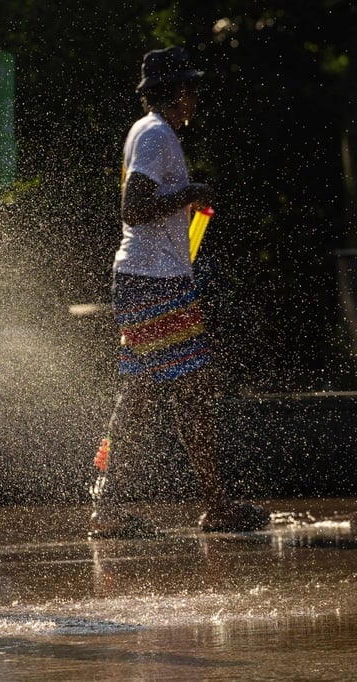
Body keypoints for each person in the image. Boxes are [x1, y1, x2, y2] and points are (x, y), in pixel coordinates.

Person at [89, 46, 269, 538]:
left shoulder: (149, 132)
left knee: (145, 396)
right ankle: (213, 506)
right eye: (189, 88)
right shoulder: (156, 134)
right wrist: (190, 193)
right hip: (154, 283)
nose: (194, 97)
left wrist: (185, 199)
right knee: (186, 392)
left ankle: (111, 507)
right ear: (172, 92)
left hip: (149, 280)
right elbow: (134, 207)